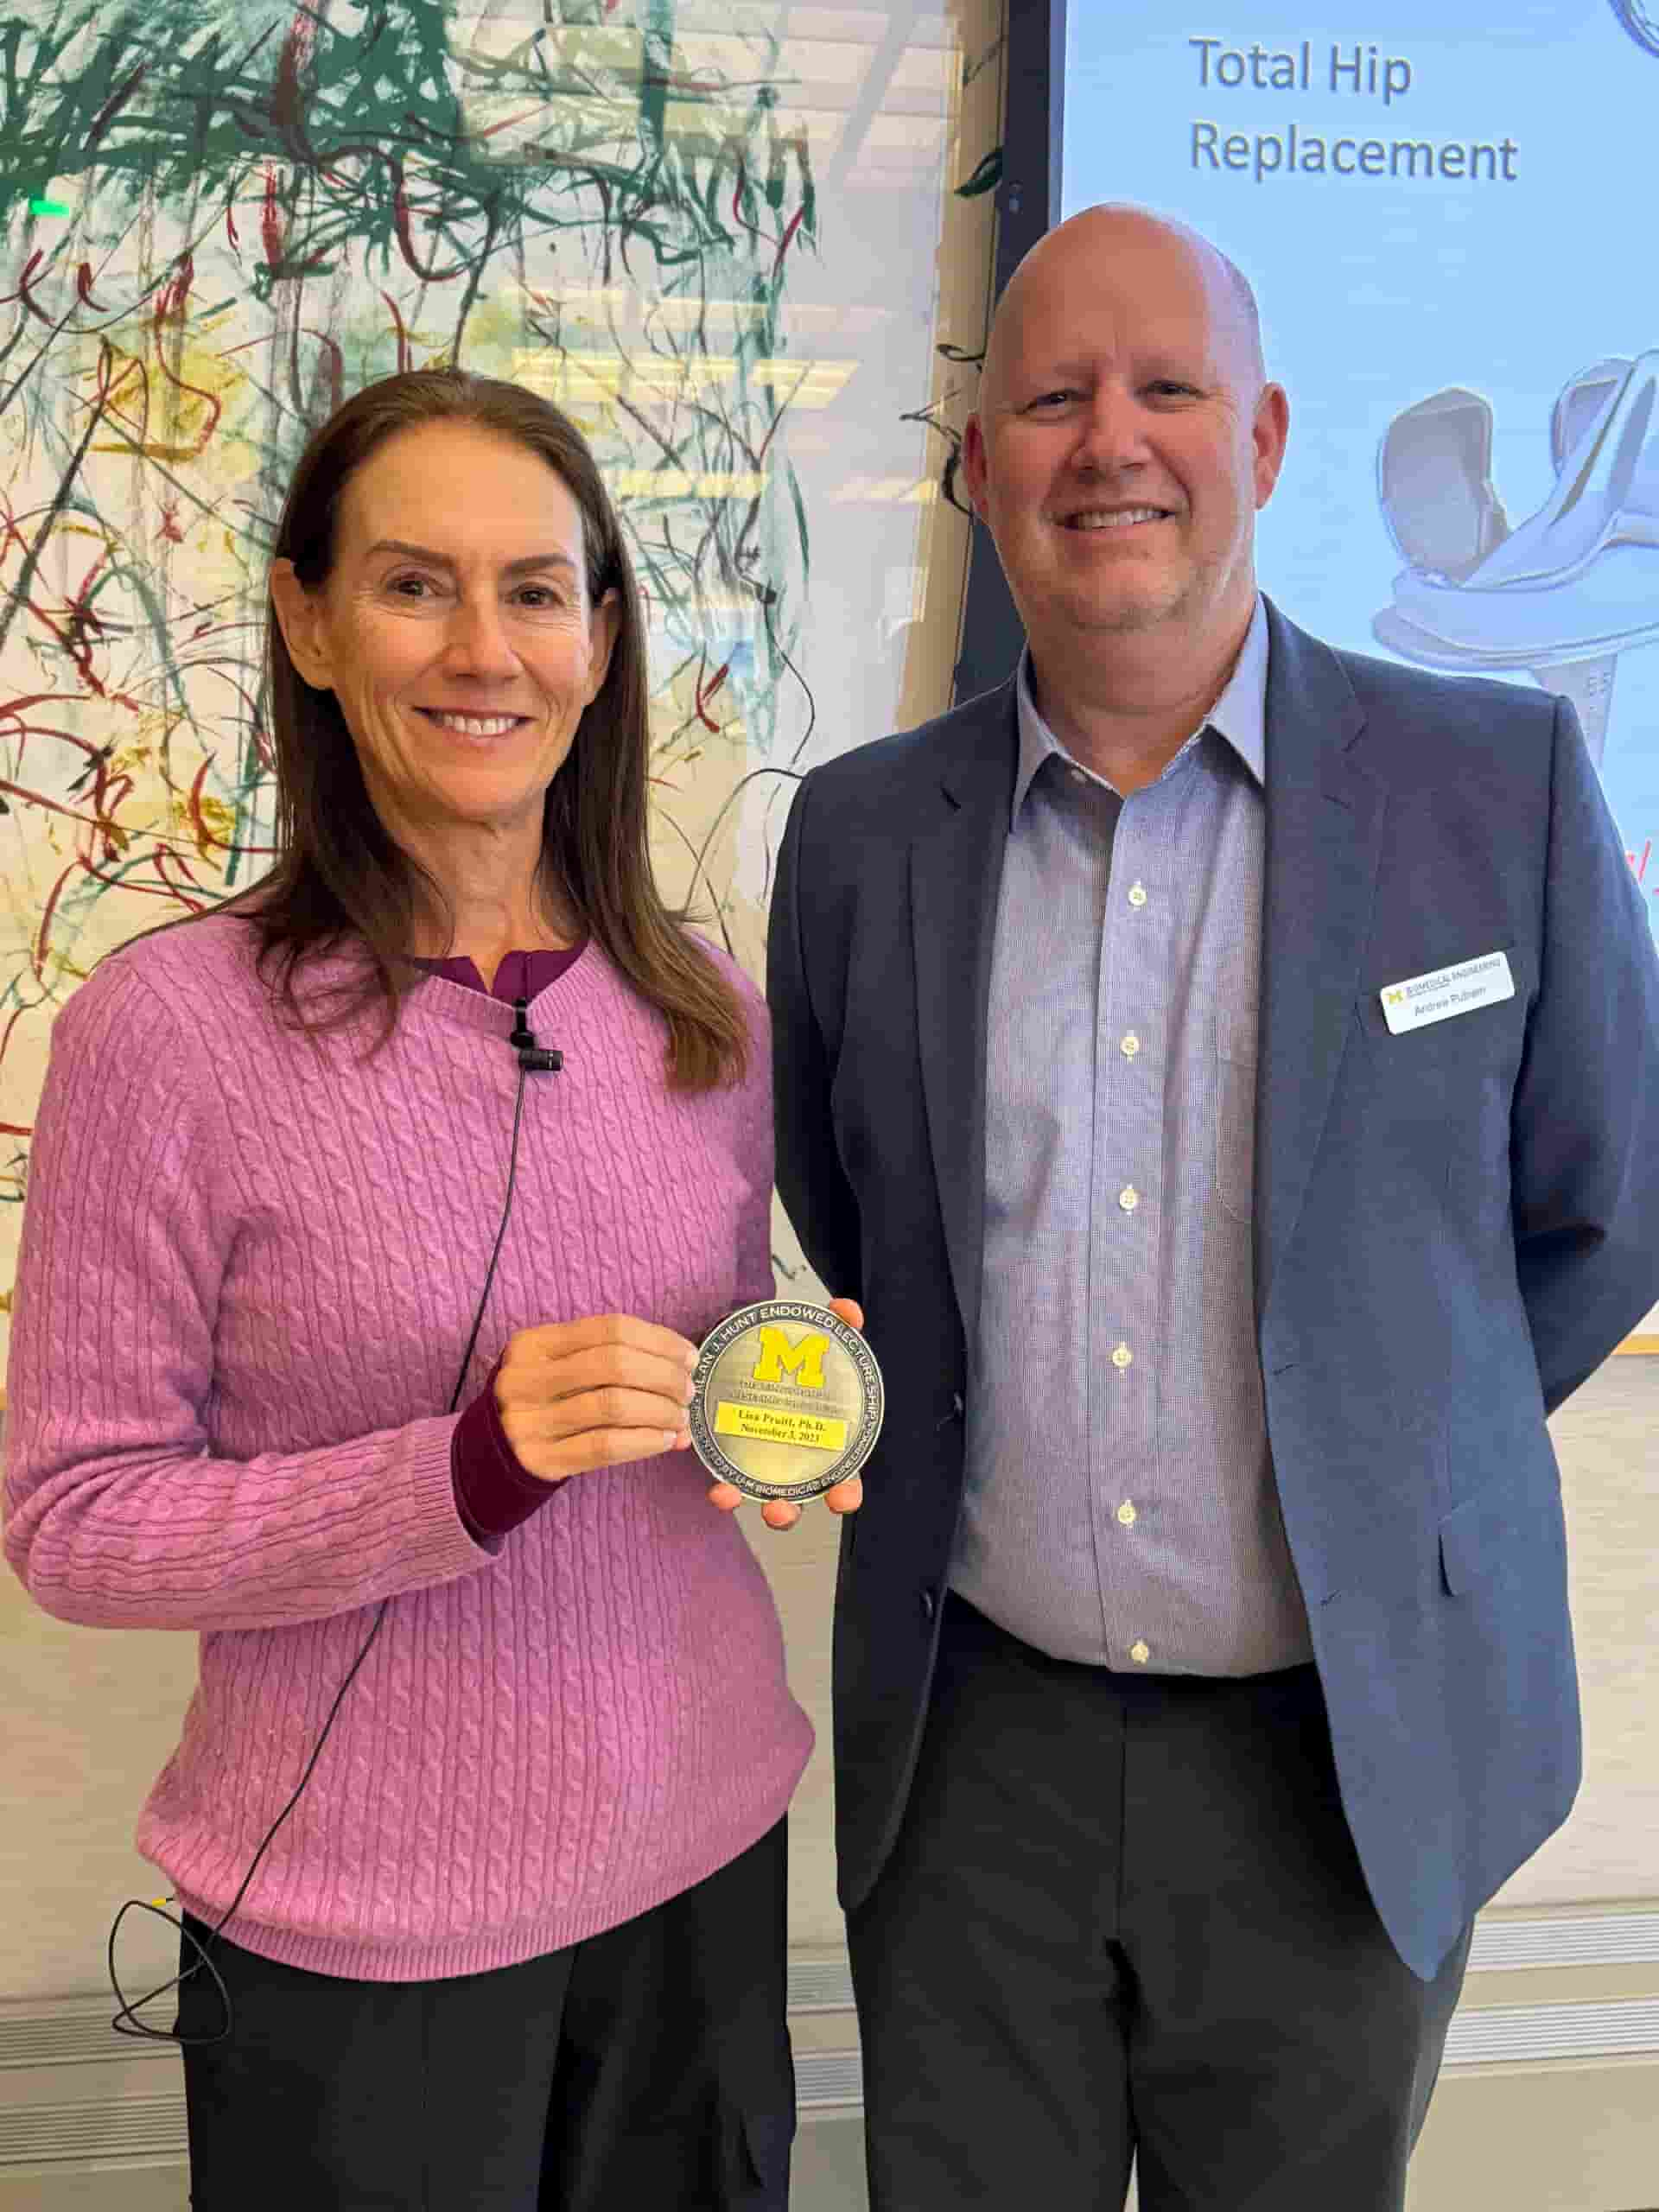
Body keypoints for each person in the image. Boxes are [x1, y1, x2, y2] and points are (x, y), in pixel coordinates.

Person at [766, 204, 1659, 2210]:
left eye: (1166, 387)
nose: (1112, 441)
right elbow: (863, 1214)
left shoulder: (1496, 778)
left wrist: (1389, 1444)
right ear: (976, 461)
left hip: (1342, 1763)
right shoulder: (853, 835)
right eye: (1053, 397)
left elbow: (1608, 1207)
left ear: (1259, 437)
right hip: (968, 1747)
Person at [3, 366, 860, 2211]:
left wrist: (768, 1404)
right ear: (309, 621)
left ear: (603, 633)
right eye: (414, 584)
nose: (486, 648)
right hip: (353, 1931)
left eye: (537, 589)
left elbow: (695, 1364)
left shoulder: (705, 1004)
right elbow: (75, 1523)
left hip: (700, 1870)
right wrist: (457, 1470)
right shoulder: (167, 1032)